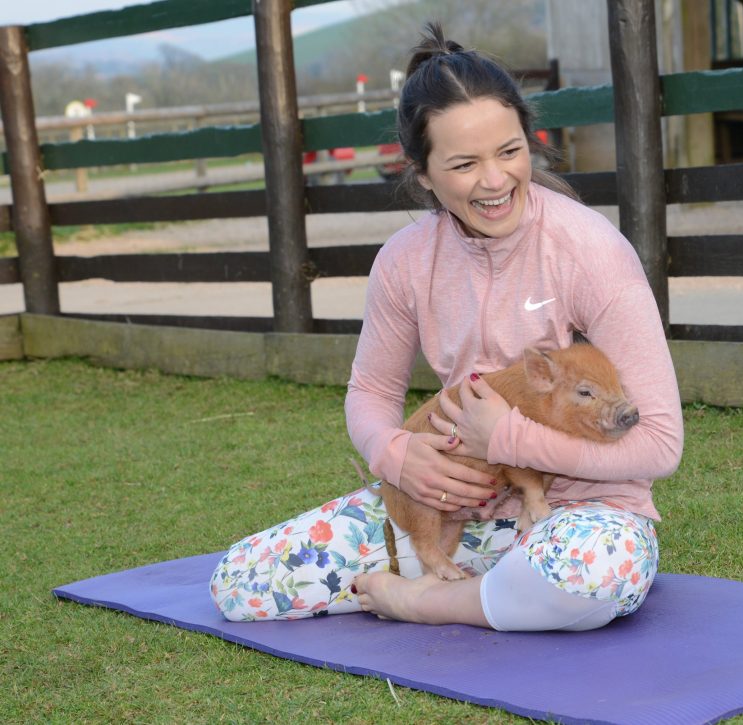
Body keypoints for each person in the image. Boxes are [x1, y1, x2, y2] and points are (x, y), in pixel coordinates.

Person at [210, 23, 683, 632]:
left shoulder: (590, 250)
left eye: (511, 152)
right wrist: (397, 455)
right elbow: (372, 395)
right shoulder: (405, 261)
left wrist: (507, 440)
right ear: (424, 174)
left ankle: (420, 599)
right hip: (454, 510)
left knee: (591, 570)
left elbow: (660, 444)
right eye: (465, 164)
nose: (496, 180)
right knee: (241, 583)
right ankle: (488, 588)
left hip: (580, 516)